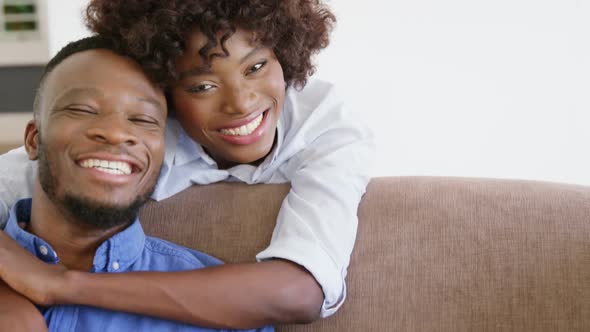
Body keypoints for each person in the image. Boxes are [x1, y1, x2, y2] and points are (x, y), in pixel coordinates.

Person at [0, 0, 374, 328]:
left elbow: (302, 290)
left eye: (256, 65)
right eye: (202, 87)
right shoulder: (141, 137)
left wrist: (57, 285)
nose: (241, 103)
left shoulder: (327, 125)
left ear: (283, 52)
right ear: (168, 95)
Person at [0, 35, 273, 332]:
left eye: (143, 119)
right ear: (33, 140)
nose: (116, 133)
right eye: (82, 109)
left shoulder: (231, 317)